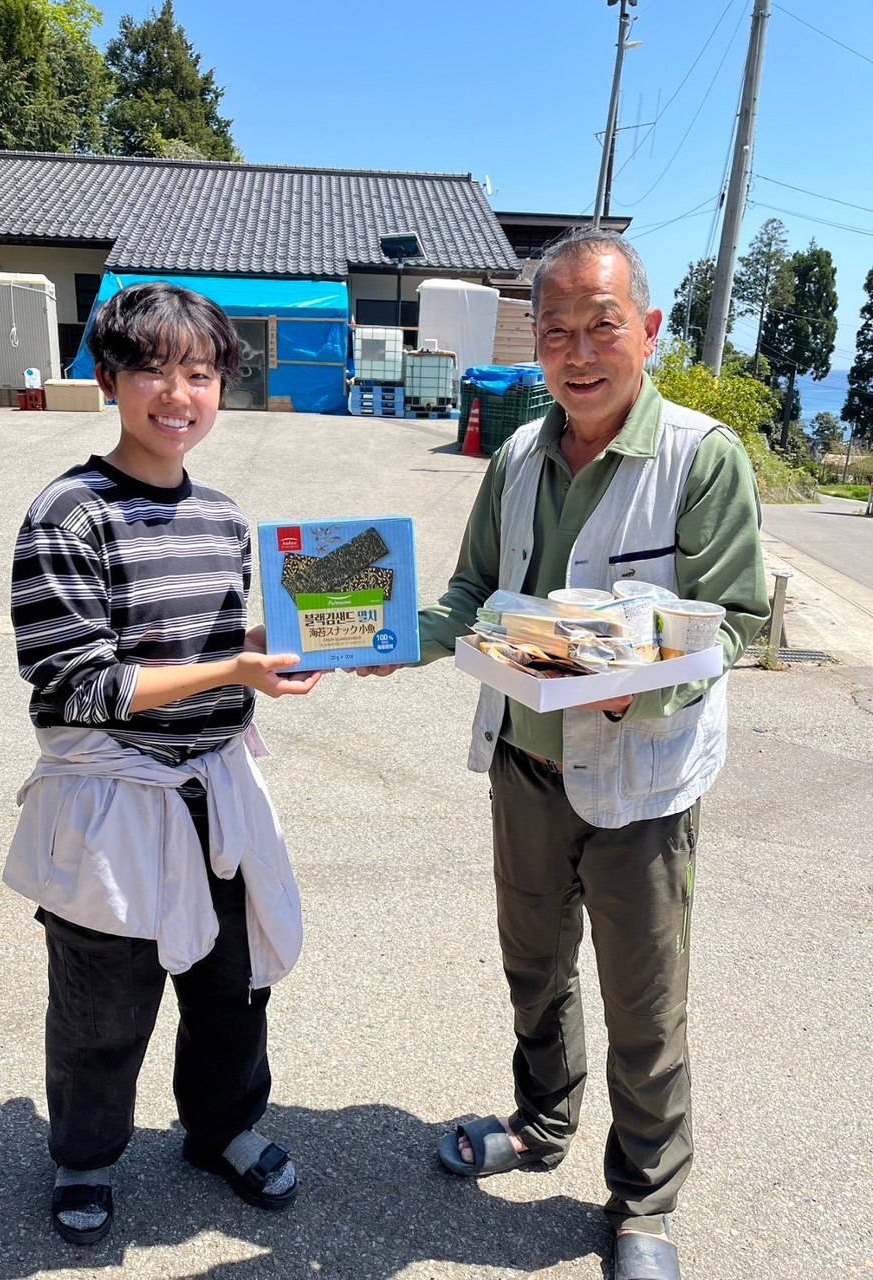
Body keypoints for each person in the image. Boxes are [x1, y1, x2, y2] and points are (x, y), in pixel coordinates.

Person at [365, 228, 769, 1280]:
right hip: (525, 767)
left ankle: (644, 1202)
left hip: (643, 782)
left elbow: (735, 618)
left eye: (602, 324)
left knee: (645, 1001)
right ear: (534, 342)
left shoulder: (700, 457)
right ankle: (541, 1124)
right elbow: (471, 593)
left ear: (649, 329)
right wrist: (389, 636)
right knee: (535, 968)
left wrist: (640, 679)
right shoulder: (515, 458)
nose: (578, 352)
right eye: (556, 331)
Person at [4, 282, 323, 1247]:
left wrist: (284, 645)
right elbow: (78, 684)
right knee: (102, 1002)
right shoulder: (69, 514)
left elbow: (218, 647)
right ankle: (85, 1155)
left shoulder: (226, 518)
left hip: (216, 788)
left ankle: (223, 1130)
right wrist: (234, 669)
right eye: (152, 369)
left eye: (201, 372)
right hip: (112, 797)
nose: (178, 394)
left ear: (223, 385)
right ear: (108, 378)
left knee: (234, 984)